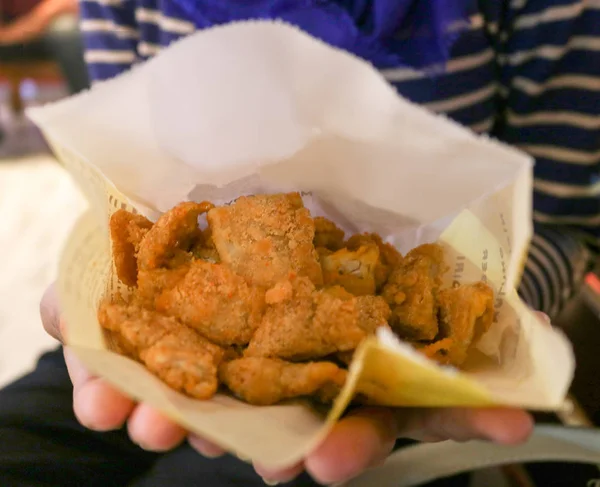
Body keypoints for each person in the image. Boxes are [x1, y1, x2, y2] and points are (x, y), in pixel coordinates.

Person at [0, 1, 598, 486]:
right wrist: (97, 284)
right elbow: (126, 192)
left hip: (393, 385)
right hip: (176, 331)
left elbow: (564, 221)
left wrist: (445, 355)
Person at [0, 0, 89, 94]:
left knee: (67, 29)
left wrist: (28, 27)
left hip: (47, 25)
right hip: (11, 32)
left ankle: (87, 99)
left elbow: (64, 4)